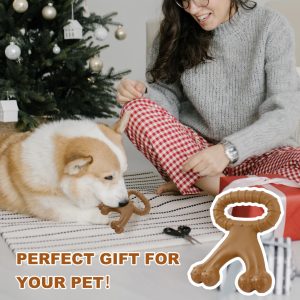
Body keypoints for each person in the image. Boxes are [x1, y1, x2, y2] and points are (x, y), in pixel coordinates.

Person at [116, 0, 300, 196]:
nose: (193, 10)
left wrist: (229, 150)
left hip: (260, 153)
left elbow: (286, 112)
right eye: (184, 1)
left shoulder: (271, 25)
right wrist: (143, 93)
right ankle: (235, 192)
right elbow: (167, 99)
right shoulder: (175, 29)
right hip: (198, 154)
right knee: (134, 110)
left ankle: (204, 185)